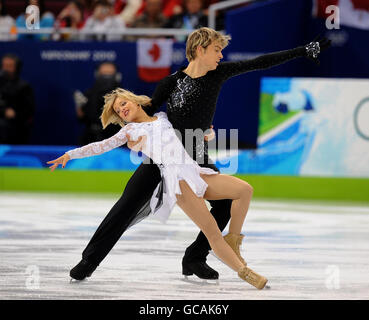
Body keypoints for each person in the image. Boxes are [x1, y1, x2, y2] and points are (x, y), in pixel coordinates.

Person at [66, 27, 331, 283]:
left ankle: (194, 257)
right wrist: (134, 137)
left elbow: (260, 62)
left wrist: (303, 51)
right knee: (126, 206)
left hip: (195, 153)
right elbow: (145, 113)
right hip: (162, 156)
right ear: (199, 49)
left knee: (226, 203)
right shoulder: (171, 82)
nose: (221, 55)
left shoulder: (218, 74)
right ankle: (89, 262)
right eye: (217, 49)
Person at [47, 88, 268, 290]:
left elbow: (189, 137)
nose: (122, 109)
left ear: (135, 102)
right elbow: (100, 146)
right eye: (117, 110)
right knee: (211, 232)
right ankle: (244, 272)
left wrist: (205, 134)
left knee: (244, 190)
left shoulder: (163, 117)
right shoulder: (130, 131)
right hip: (177, 182)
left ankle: (234, 239)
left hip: (195, 171)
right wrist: (70, 154)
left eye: (124, 103)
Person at [74, 61, 122, 145]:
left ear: (117, 76)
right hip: (93, 138)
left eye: (110, 75)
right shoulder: (88, 94)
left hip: (117, 138)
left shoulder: (125, 96)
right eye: (104, 75)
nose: (106, 79)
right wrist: (79, 106)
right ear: (97, 74)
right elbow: (81, 118)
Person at [0, 53, 35, 144]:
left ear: (17, 68)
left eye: (9, 66)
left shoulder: (23, 87)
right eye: (4, 66)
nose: (6, 69)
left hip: (15, 125)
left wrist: (15, 114)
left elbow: (29, 110)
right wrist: (3, 111)